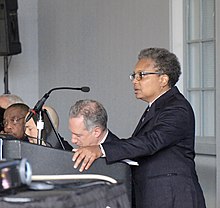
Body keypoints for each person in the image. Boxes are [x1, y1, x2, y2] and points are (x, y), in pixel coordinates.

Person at [72, 47, 206, 208]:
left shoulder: (177, 108)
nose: (135, 80)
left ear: (163, 79)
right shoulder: (156, 107)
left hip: (172, 196)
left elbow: (150, 142)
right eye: (134, 76)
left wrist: (101, 149)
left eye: (141, 75)